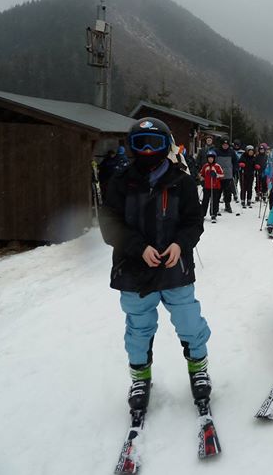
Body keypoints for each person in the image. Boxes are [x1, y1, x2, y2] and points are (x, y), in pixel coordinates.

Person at [99, 117, 213, 414]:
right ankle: (140, 377)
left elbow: (193, 222)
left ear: (166, 146)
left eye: (155, 144)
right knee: (138, 328)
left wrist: (180, 244)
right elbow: (110, 225)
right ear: (131, 147)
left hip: (174, 267)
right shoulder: (121, 182)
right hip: (133, 269)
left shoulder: (182, 181)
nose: (148, 151)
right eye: (141, 144)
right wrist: (138, 248)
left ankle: (198, 368)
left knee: (189, 322)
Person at [200, 150, 224, 222]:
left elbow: (222, 175)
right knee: (205, 201)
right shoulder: (205, 166)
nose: (210, 159)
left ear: (214, 158)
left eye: (212, 158)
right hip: (207, 187)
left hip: (215, 187)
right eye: (209, 158)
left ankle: (213, 214)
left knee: (214, 201)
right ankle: (202, 214)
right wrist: (202, 179)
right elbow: (201, 174)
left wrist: (216, 175)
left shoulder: (217, 166)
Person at [215, 138, 238, 213]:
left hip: (228, 175)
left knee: (228, 192)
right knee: (218, 192)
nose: (225, 146)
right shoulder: (216, 151)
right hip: (218, 175)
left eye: (226, 145)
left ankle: (227, 205)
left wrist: (234, 170)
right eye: (224, 145)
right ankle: (216, 207)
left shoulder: (231, 152)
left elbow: (235, 162)